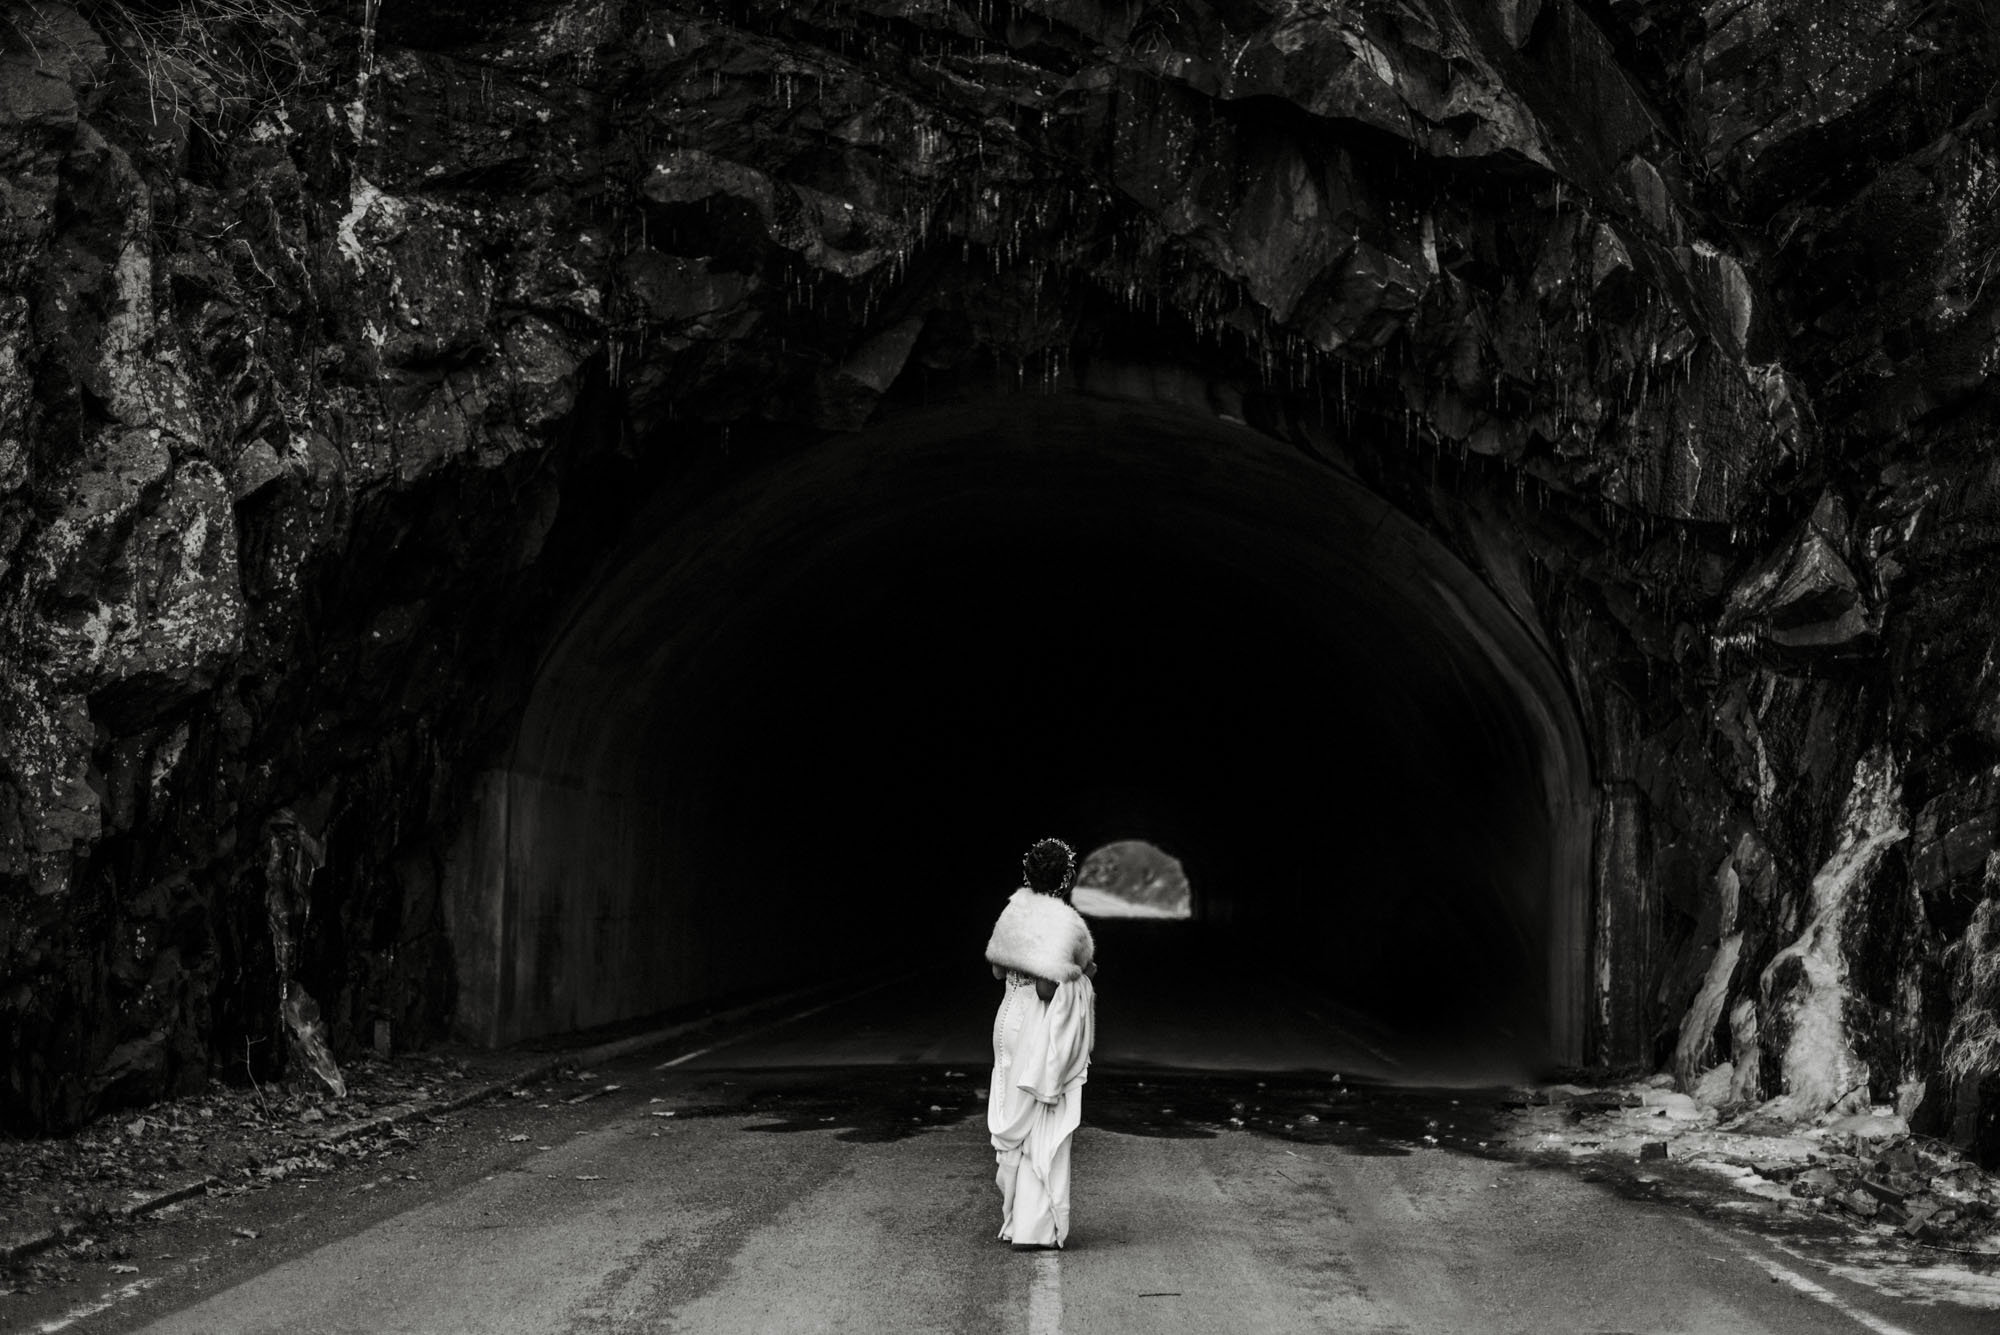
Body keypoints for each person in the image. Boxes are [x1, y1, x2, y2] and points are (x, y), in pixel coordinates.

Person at [984, 837, 1098, 1250]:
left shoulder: (1014, 910)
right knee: (1043, 1119)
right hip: (1035, 1022)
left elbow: (999, 970)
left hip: (1005, 1023)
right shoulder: (1063, 922)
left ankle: (1014, 1218)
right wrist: (1081, 975)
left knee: (1012, 1109)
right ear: (1065, 880)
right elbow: (1050, 988)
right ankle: (1031, 1228)